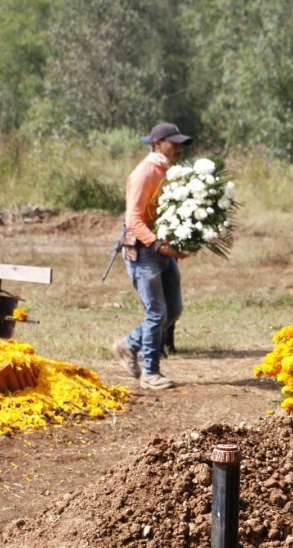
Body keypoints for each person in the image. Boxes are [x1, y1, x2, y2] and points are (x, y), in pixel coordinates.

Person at [113, 122, 193, 390]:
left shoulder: (169, 171)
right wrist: (159, 245)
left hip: (162, 249)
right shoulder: (145, 172)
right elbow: (133, 219)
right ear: (158, 144)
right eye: (174, 143)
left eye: (181, 143)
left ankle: (128, 345)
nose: (179, 148)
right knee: (157, 312)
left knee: (172, 311)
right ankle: (151, 373)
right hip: (145, 251)